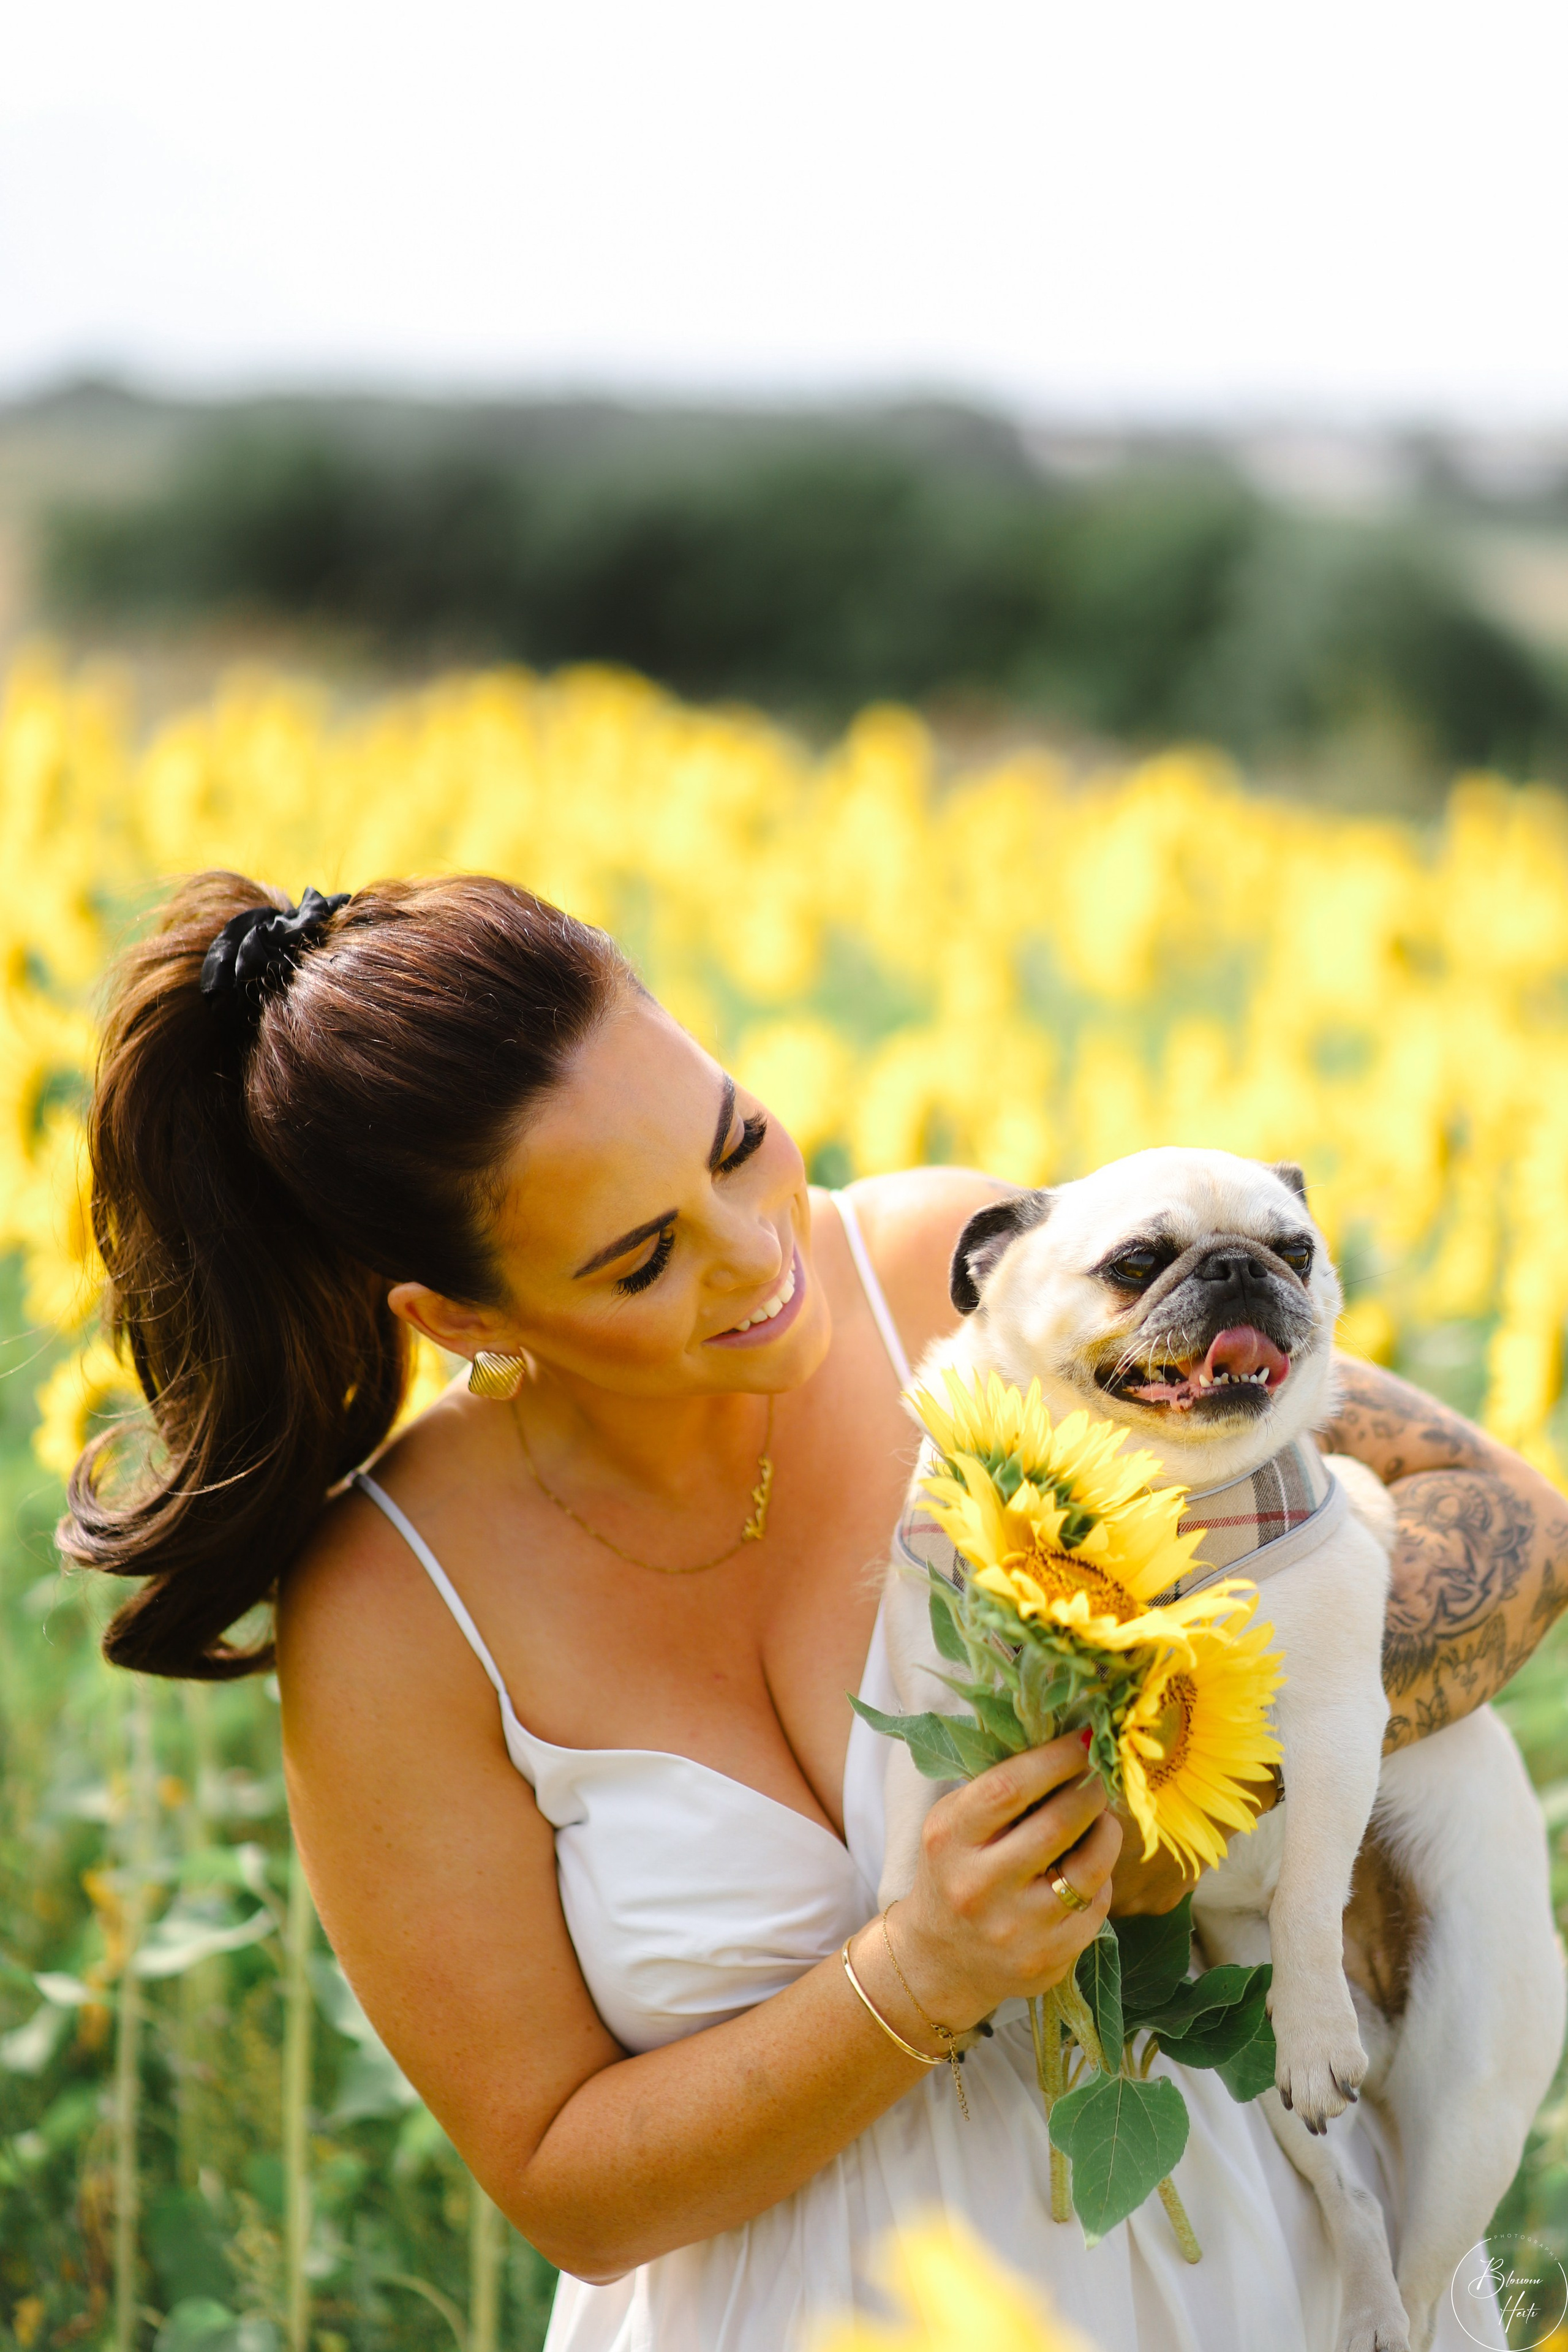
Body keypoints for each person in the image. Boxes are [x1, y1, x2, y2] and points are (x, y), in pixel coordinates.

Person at [66, 873, 1561, 2352]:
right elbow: (563, 2187)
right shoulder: (394, 1604)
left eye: (736, 1141)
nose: (753, 1251)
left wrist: (1194, 1747)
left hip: (1270, 2275)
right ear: (462, 1318)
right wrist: (919, 1973)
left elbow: (1506, 1530)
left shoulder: (964, 1272)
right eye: (642, 1257)